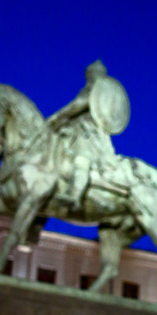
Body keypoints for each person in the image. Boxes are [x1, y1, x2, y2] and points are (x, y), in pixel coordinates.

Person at [47, 60, 130, 209]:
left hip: (89, 136)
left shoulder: (94, 91)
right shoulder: (97, 92)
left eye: (90, 75)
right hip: (76, 133)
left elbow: (76, 106)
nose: (89, 78)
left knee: (81, 161)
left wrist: (54, 118)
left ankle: (74, 195)